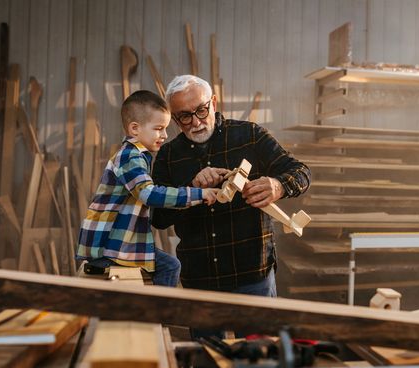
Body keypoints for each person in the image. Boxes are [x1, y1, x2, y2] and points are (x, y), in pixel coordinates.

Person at [152, 75, 311, 296]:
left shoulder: (250, 136)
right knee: (206, 333)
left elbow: (301, 172)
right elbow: (158, 218)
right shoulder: (167, 156)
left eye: (201, 110)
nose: (196, 122)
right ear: (175, 120)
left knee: (258, 333)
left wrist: (278, 185)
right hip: (200, 277)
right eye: (185, 117)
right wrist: (191, 189)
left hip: (253, 276)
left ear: (214, 103)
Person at [76, 90, 218, 286]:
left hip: (121, 243)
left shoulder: (136, 155)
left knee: (167, 266)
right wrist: (198, 194)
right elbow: (148, 194)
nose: (165, 135)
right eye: (159, 128)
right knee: (170, 266)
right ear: (135, 129)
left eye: (166, 128)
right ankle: (160, 315)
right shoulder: (130, 157)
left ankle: (154, 310)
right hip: (108, 246)